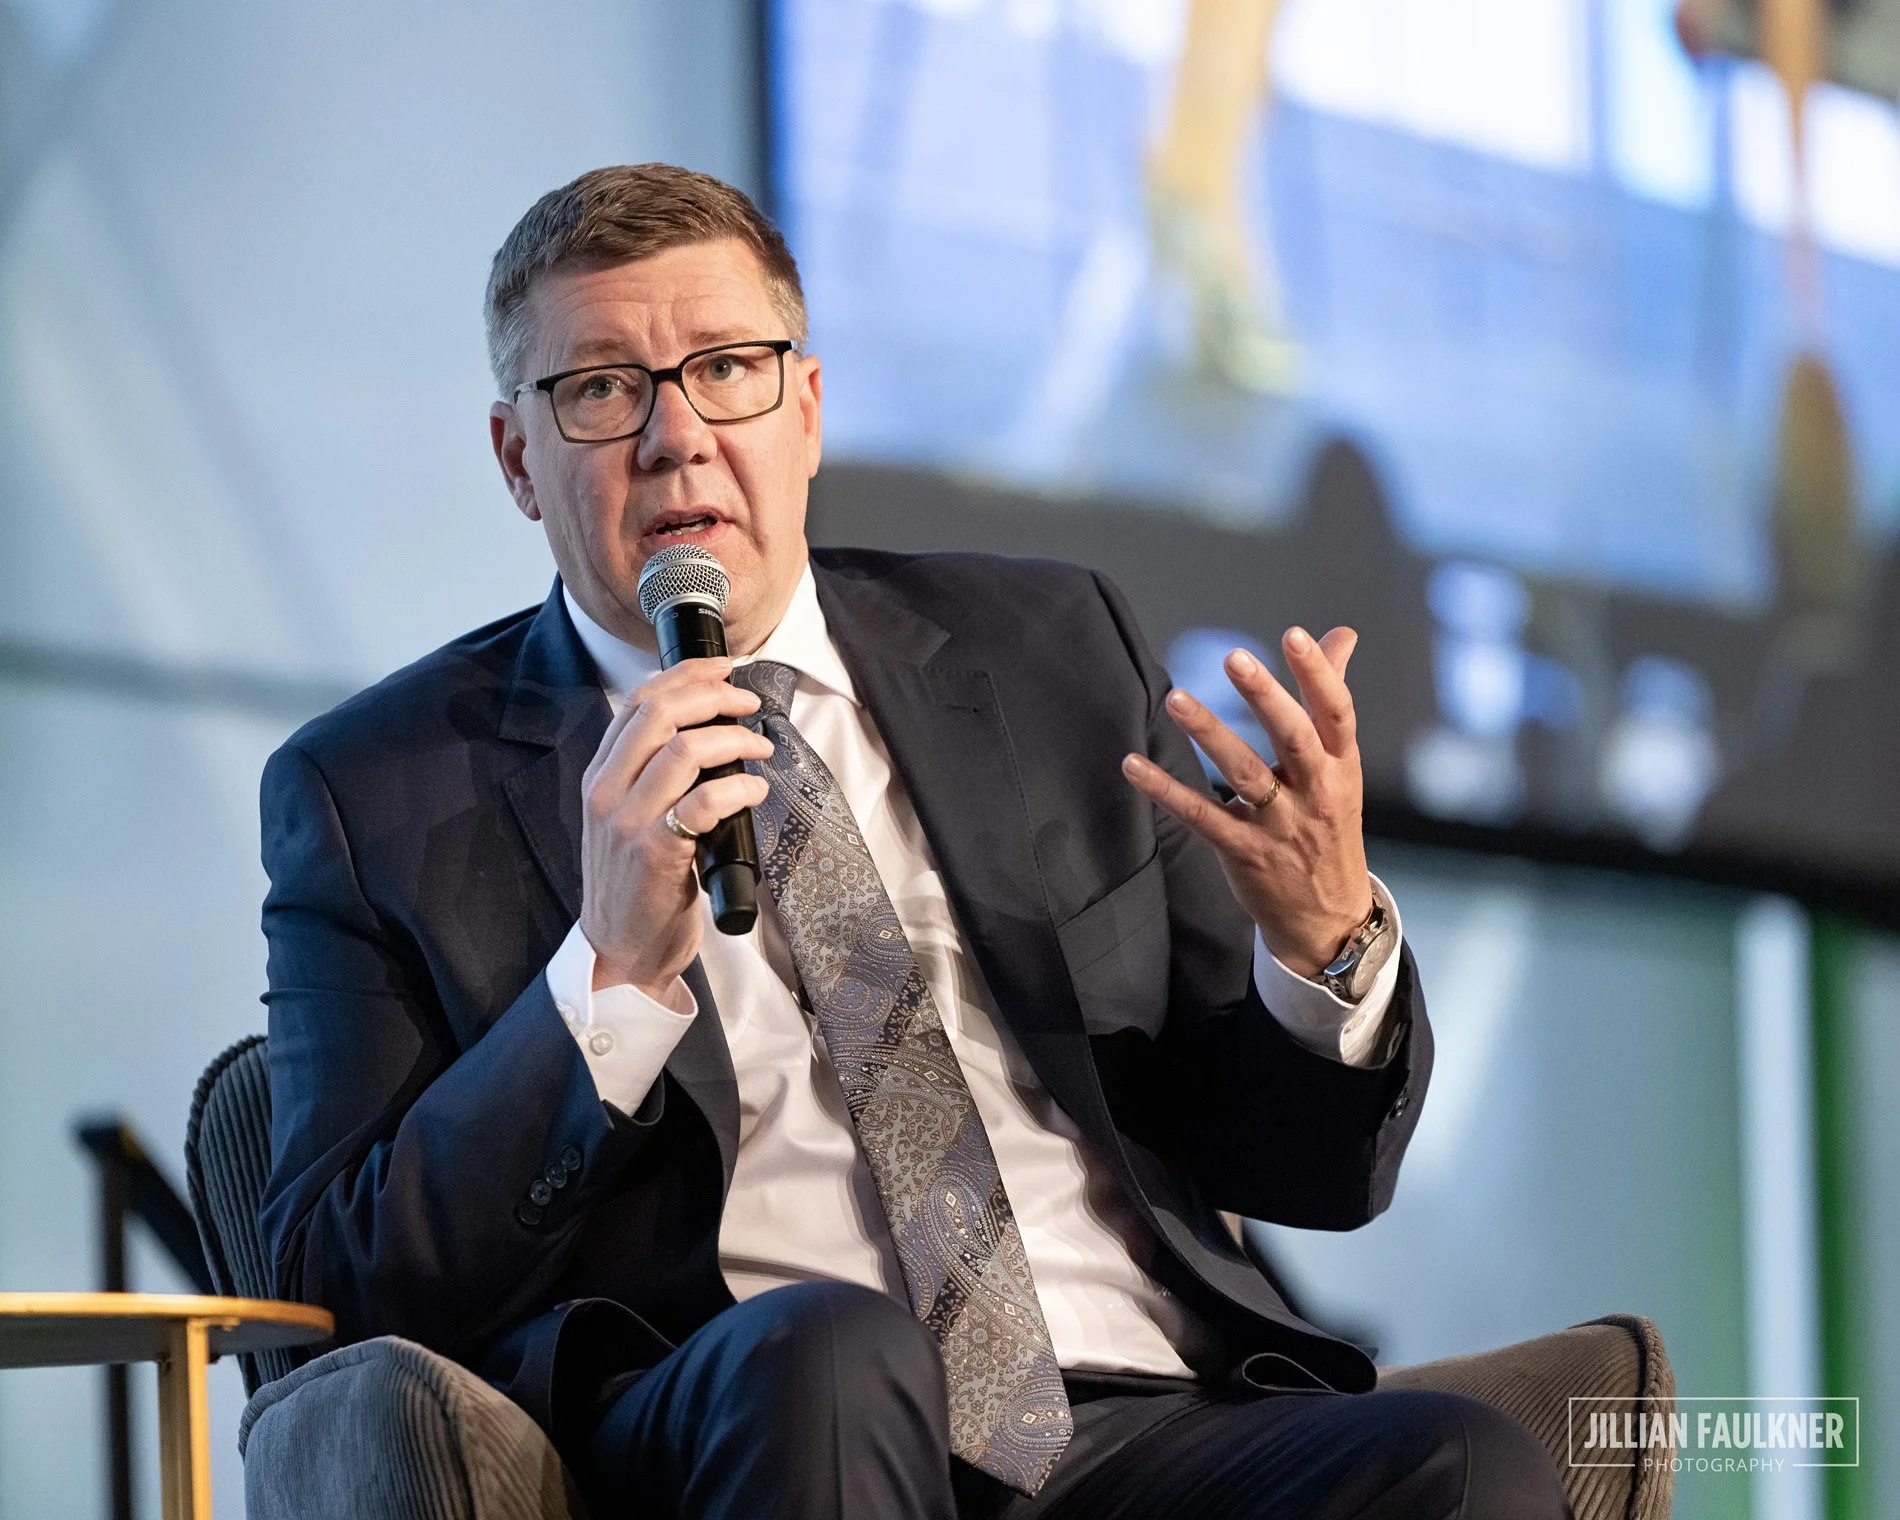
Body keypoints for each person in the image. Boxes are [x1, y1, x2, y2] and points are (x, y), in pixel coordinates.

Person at [259, 164, 1569, 1520]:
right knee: (838, 1350)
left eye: (728, 369)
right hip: (757, 1411)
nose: (676, 436)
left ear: (807, 412)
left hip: (1126, 1417)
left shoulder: (1044, 649)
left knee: (1471, 1466)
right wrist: (606, 975)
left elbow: (1298, 1164)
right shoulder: (380, 790)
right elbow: (327, 1281)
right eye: (600, 390)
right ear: (517, 458)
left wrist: (1322, 947)